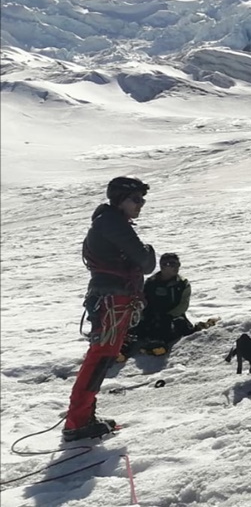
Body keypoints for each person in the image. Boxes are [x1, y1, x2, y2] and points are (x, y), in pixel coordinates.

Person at [64, 177, 156, 441]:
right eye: (136, 199)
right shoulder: (112, 223)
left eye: (142, 199)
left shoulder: (108, 223)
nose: (141, 204)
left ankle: (81, 417)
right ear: (120, 200)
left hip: (110, 298)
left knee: (102, 356)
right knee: (101, 356)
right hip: (113, 300)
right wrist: (148, 250)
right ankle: (78, 422)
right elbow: (146, 262)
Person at [124, 253, 193, 356]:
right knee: (137, 327)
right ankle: (124, 348)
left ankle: (158, 345)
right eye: (173, 264)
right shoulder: (151, 283)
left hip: (172, 316)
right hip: (151, 315)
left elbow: (183, 305)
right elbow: (143, 300)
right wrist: (144, 314)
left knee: (175, 325)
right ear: (164, 266)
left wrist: (168, 315)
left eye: (178, 264)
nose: (177, 268)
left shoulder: (182, 284)